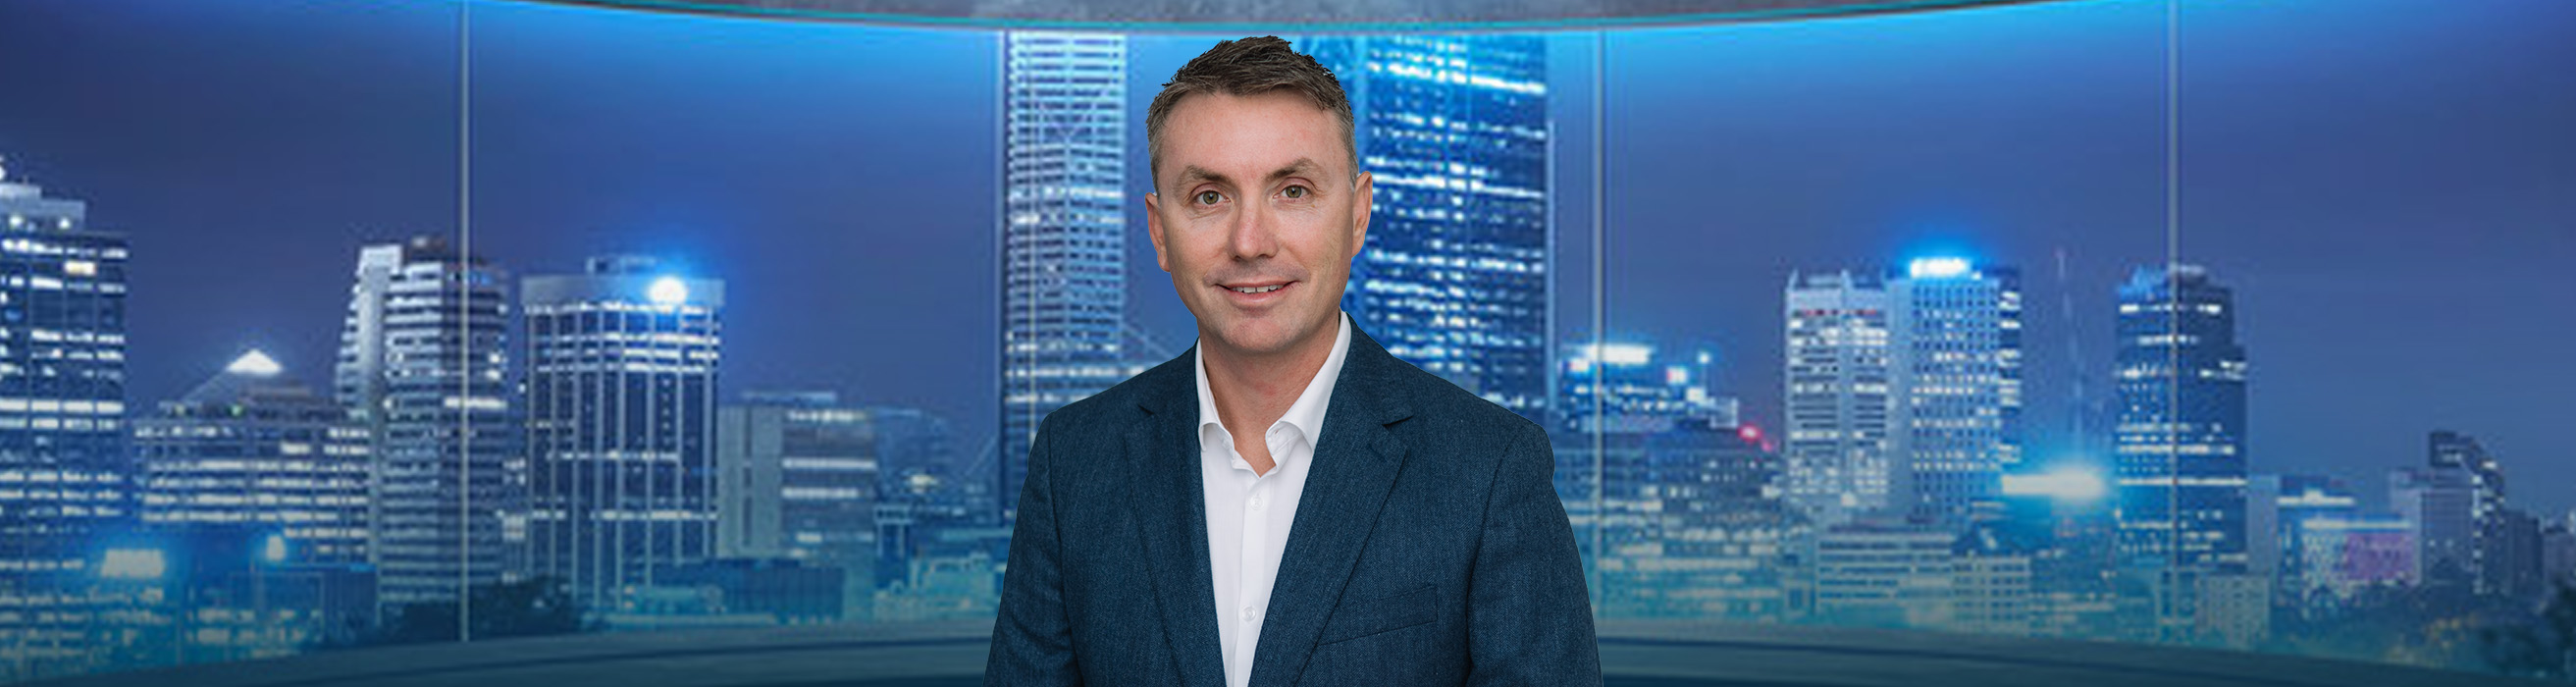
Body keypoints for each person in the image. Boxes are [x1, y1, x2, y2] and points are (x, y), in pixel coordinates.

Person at [985, 35, 1601, 687]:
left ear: (1358, 214)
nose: (1250, 242)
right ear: (1160, 231)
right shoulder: (1074, 459)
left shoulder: (1490, 466)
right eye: (1209, 197)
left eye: (1293, 191)